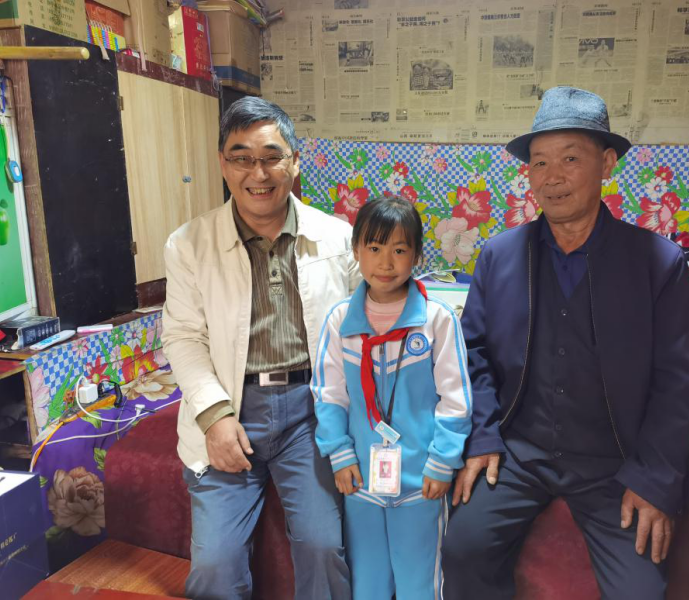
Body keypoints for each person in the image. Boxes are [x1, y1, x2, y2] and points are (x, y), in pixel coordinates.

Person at [441, 86, 689, 599]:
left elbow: (677, 382)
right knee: (463, 549)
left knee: (640, 591)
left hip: (616, 462)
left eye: (570, 159)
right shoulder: (499, 257)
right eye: (539, 162)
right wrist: (484, 436)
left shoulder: (658, 263)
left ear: (606, 163)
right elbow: (472, 355)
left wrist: (654, 478)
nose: (552, 177)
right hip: (520, 453)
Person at [162, 97, 358, 600]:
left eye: (272, 157)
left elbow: (371, 323)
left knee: (323, 547)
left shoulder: (339, 238)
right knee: (214, 567)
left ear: (295, 161)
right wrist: (214, 417)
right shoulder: (189, 244)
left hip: (310, 414)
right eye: (242, 157)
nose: (258, 173)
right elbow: (183, 336)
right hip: (232, 407)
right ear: (222, 164)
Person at [311, 197, 472, 599]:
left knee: (420, 585)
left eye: (399, 250)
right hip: (361, 482)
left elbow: (456, 399)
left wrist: (442, 462)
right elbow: (329, 394)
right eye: (374, 247)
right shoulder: (339, 321)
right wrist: (339, 453)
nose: (386, 262)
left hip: (422, 483)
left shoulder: (437, 320)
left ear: (416, 255)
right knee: (368, 585)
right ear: (356, 251)